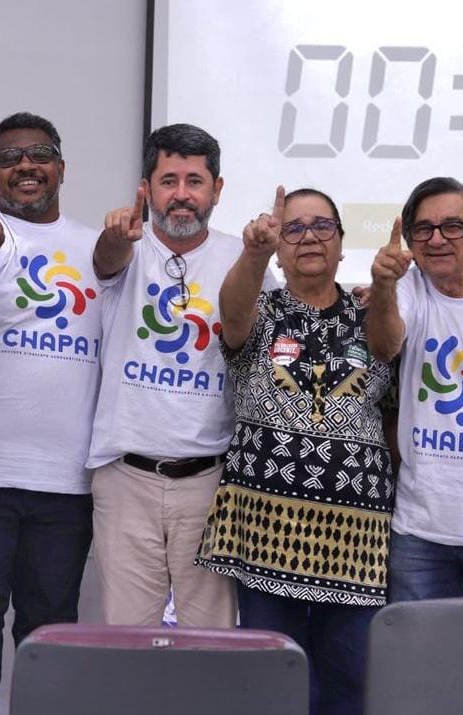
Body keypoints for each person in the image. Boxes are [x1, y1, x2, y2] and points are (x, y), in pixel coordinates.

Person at [196, 186, 395, 715]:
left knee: (349, 686)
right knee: (275, 687)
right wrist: (254, 252)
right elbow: (231, 312)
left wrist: (385, 286)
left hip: (355, 541)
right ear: (280, 250)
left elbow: (389, 346)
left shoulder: (369, 311)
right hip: (266, 533)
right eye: (295, 228)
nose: (309, 237)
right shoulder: (260, 310)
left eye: (322, 226)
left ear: (342, 242)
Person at [0, 112, 102, 715]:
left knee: (50, 631)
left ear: (61, 167)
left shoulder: (96, 249)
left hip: (66, 478)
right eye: (10, 157)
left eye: (39, 154)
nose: (25, 166)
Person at [88, 123, 265, 628]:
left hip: (211, 481)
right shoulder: (125, 245)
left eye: (195, 180)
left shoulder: (243, 258)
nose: (181, 195)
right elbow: (107, 261)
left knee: (210, 641)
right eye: (168, 181)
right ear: (147, 188)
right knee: (128, 639)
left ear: (217, 189)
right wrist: (115, 237)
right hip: (126, 478)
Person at [367, 177, 463, 600]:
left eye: (452, 227)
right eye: (423, 229)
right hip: (420, 527)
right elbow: (384, 345)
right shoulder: (408, 288)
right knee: (417, 658)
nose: (436, 239)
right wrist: (383, 287)